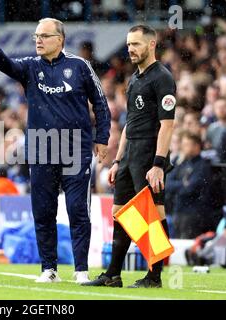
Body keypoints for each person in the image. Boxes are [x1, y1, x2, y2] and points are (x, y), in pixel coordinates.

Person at [0, 18, 111, 284]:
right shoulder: (30, 66)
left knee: (77, 210)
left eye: (44, 35)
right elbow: (8, 66)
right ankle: (48, 269)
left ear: (60, 39)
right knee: (43, 211)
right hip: (40, 148)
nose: (38, 40)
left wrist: (102, 138)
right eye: (36, 36)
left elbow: (100, 103)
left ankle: (81, 270)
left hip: (76, 148)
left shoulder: (80, 66)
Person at [82, 25, 176, 288]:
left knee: (153, 213)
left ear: (151, 45)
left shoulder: (163, 78)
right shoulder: (134, 79)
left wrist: (158, 164)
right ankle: (113, 274)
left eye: (136, 44)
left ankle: (154, 276)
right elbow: (129, 124)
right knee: (121, 212)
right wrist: (117, 161)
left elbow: (168, 125)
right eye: (128, 44)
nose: (130, 49)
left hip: (149, 153)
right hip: (130, 153)